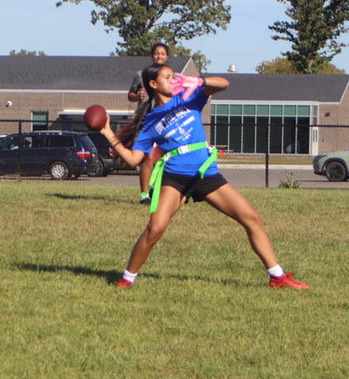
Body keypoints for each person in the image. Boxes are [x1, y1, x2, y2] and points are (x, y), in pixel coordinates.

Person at [101, 63, 309, 291]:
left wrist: (199, 81)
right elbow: (133, 159)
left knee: (251, 217)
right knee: (155, 229)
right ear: (153, 84)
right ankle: (126, 280)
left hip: (205, 173)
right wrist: (108, 133)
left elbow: (224, 84)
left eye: (174, 76)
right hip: (176, 177)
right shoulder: (151, 120)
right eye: (168, 77)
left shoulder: (188, 98)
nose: (174, 80)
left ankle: (277, 277)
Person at [127, 42, 202, 204]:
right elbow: (130, 95)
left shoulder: (172, 77)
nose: (159, 56)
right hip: (151, 122)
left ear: (167, 56)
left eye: (162, 53)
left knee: (173, 155)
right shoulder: (142, 75)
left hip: (170, 123)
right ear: (152, 56)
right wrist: (138, 96)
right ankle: (144, 195)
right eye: (156, 53)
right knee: (147, 157)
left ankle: (180, 191)